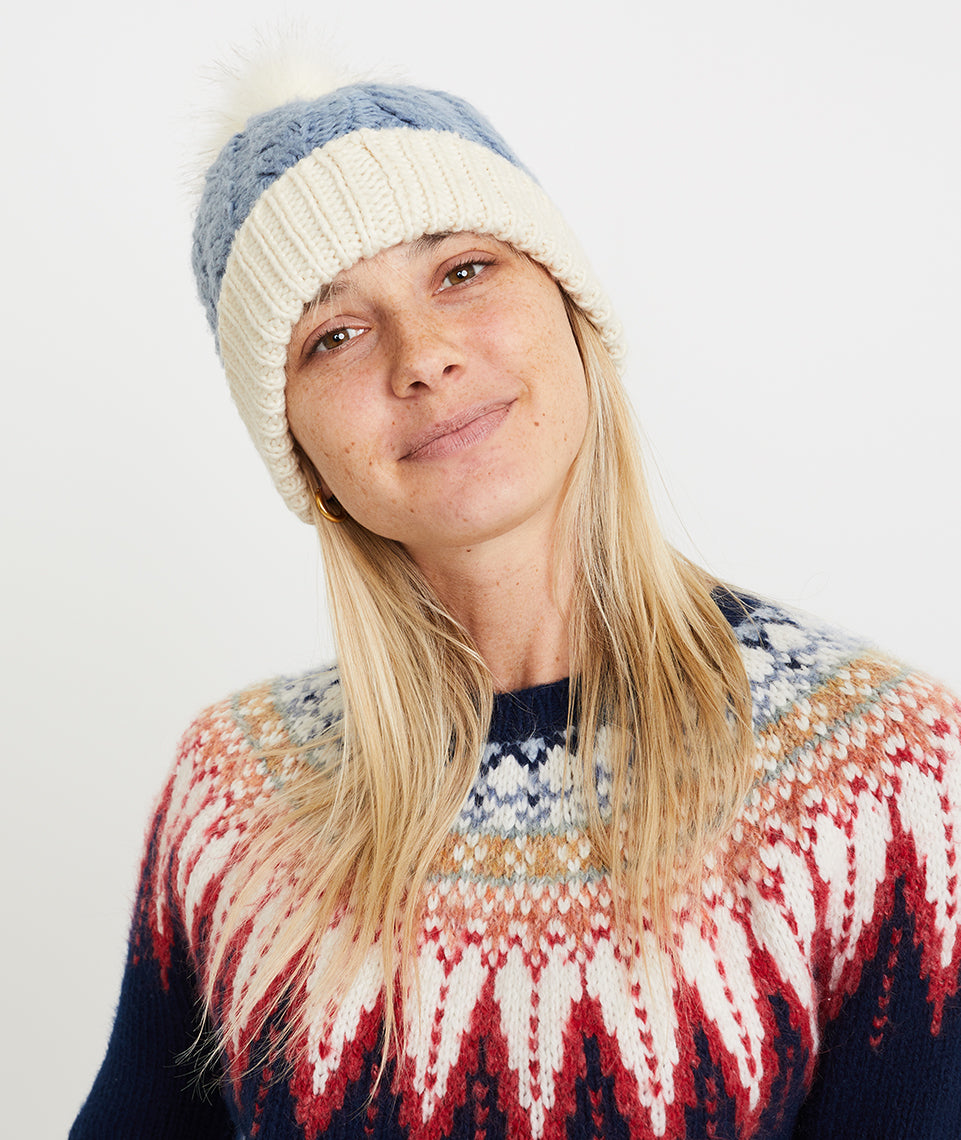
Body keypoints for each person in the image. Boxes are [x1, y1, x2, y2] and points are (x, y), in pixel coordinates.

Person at [70, 48, 961, 1140]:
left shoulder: (883, 777)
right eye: (334, 334)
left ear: (573, 312)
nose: (423, 356)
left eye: (463, 271)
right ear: (298, 447)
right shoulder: (235, 791)